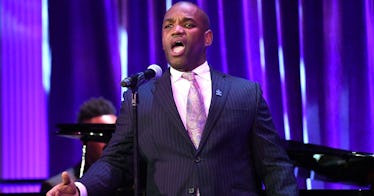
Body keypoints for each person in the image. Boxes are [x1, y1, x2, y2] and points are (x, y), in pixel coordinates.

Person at [47, 1, 298, 195]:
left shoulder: (245, 94)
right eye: (169, 25)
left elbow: (275, 166)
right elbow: (116, 160)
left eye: (188, 24)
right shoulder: (140, 98)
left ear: (207, 38)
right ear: (164, 39)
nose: (176, 29)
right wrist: (80, 188)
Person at [41, 97, 117, 193]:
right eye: (102, 135)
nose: (110, 140)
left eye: (115, 133)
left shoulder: (134, 181)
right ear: (82, 138)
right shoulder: (56, 188)